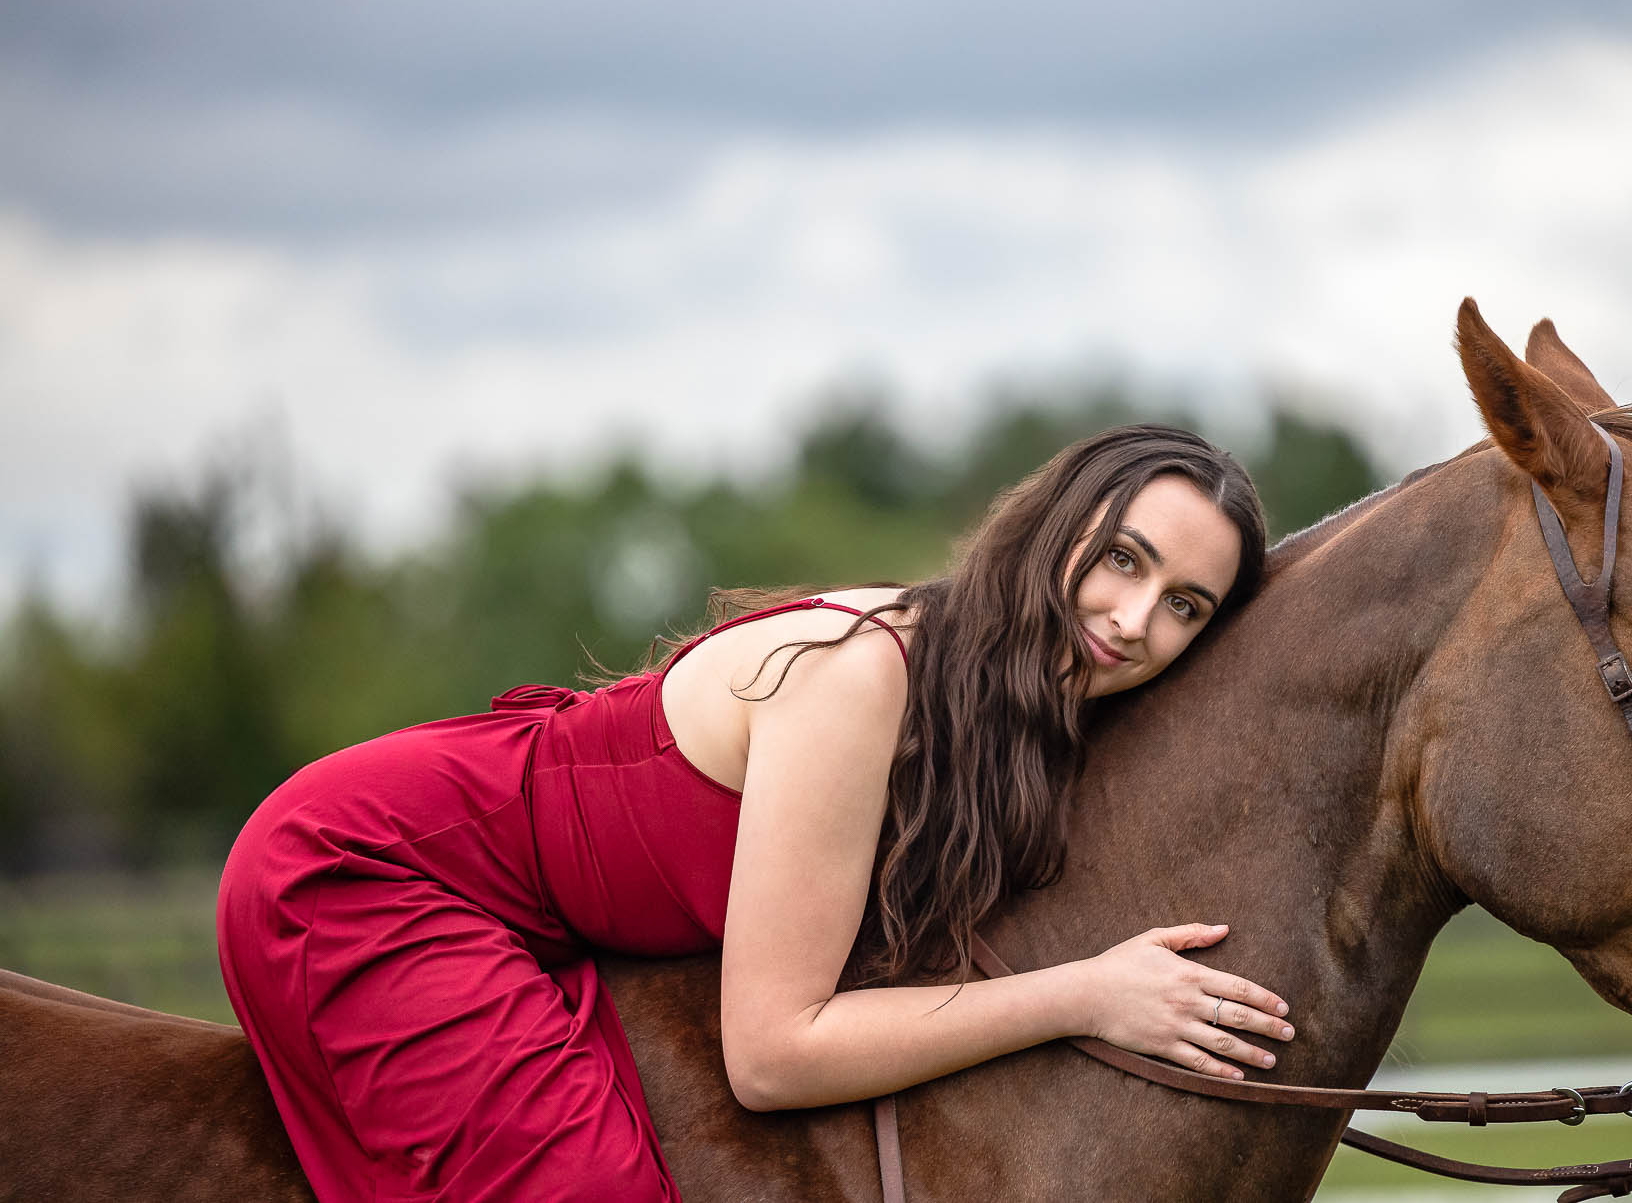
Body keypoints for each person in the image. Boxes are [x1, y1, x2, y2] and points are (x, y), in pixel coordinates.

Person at [216, 423, 1291, 1202]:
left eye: (1182, 606)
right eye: (1122, 558)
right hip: (369, 870)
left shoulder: (1009, 714)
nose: (1132, 619)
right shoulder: (863, 676)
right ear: (1059, 524)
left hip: (526, 916)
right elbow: (773, 1055)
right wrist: (1088, 994)